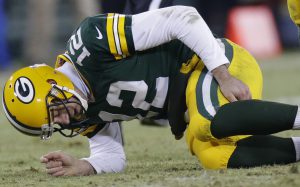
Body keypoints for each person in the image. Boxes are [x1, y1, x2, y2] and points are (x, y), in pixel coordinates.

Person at [2, 6, 300, 176]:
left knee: (206, 123)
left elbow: (182, 17)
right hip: (195, 98)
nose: (64, 121)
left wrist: (221, 72)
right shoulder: (79, 110)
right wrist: (85, 165)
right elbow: (112, 156)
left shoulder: (91, 42)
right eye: (54, 124)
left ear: (53, 83)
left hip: (213, 65)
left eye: (56, 112)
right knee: (214, 157)